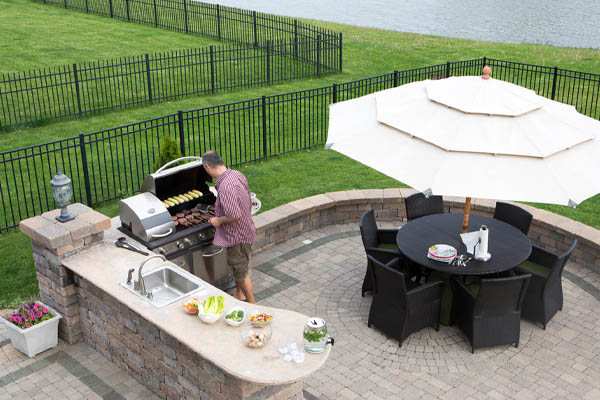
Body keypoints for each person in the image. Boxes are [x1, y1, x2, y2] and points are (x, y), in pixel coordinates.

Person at [202, 151, 256, 303]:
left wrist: (218, 221)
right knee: (239, 266)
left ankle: (253, 305)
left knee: (241, 272)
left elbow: (234, 214)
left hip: (237, 236)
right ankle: (240, 294)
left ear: (208, 166)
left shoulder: (225, 187)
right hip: (246, 229)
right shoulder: (236, 174)